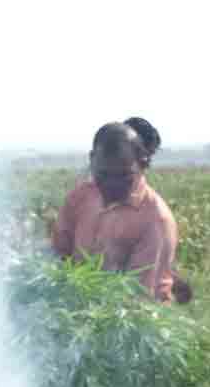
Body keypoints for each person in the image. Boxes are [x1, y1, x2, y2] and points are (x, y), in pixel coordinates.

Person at [52, 121, 179, 302]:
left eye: (123, 176)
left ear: (143, 164)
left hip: (126, 318)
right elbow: (59, 253)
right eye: (103, 175)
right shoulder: (81, 196)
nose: (112, 185)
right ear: (92, 159)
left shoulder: (156, 220)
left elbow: (138, 299)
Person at [123, 116, 193, 303]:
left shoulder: (154, 212)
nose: (144, 162)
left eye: (147, 157)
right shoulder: (86, 193)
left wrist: (171, 277)